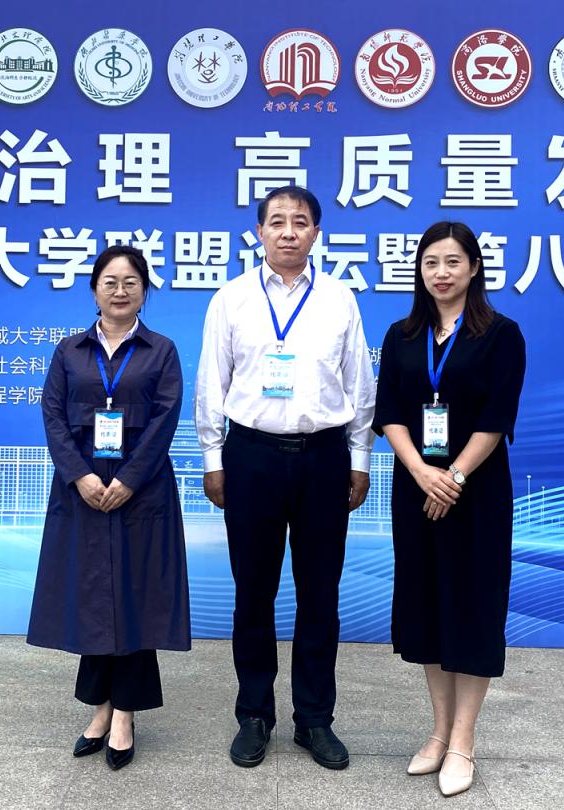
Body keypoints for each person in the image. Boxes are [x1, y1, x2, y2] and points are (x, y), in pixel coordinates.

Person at [194, 185, 376, 771]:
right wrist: (213, 458)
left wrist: (359, 458)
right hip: (251, 456)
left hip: (323, 457)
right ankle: (254, 714)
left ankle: (314, 719)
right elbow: (212, 382)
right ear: (260, 233)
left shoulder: (339, 299)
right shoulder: (231, 298)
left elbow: (360, 385)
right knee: (253, 592)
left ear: (316, 233)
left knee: (320, 594)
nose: (288, 231)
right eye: (277, 222)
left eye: (300, 222)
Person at [371, 221, 526, 796]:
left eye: (453, 262)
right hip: (416, 488)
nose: (441, 273)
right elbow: (389, 410)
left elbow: (497, 417)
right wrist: (420, 472)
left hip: (476, 493)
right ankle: (437, 732)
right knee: (427, 608)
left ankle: (464, 740)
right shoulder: (402, 334)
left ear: (474, 268)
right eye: (431, 262)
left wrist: (454, 476)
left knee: (472, 608)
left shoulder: (501, 334)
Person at [27, 245, 190, 771]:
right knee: (93, 597)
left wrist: (128, 480)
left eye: (131, 282)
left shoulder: (161, 350)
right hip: (82, 492)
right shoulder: (69, 351)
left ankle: (125, 714)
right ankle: (99, 708)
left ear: (145, 291)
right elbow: (53, 415)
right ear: (94, 289)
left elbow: (165, 418)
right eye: (110, 282)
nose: (120, 291)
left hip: (142, 492)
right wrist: (80, 476)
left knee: (134, 600)